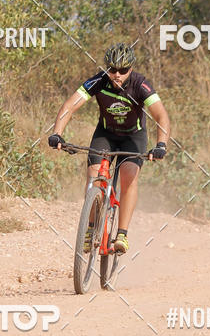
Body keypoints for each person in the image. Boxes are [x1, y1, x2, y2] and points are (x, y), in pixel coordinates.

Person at [48, 42, 170, 254]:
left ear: (131, 69)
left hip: (133, 136)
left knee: (128, 174)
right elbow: (70, 106)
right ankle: (90, 228)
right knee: (93, 175)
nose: (117, 75)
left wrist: (161, 145)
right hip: (106, 134)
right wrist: (57, 133)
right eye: (113, 69)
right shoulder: (99, 81)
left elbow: (161, 115)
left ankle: (122, 234)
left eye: (123, 70)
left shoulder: (140, 84)